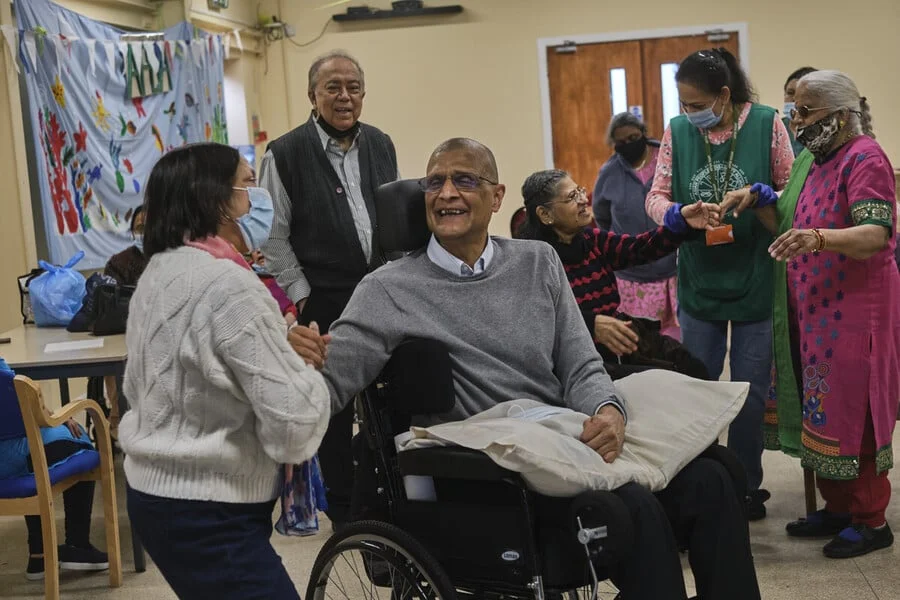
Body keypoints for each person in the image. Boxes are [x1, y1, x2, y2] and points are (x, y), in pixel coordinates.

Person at [320, 137, 761, 600]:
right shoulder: (387, 289)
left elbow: (580, 363)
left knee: (713, 478)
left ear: (497, 197)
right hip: (487, 469)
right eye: (434, 182)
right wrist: (292, 368)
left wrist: (608, 409)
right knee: (630, 506)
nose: (446, 192)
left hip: (562, 436)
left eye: (464, 180)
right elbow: (331, 381)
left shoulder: (536, 261)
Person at [119, 143, 332, 599]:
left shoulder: (160, 272)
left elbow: (187, 374)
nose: (260, 197)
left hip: (155, 494)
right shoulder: (229, 284)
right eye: (249, 183)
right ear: (217, 200)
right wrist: (306, 371)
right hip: (209, 508)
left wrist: (275, 347)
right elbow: (293, 424)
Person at [724, 71, 898, 558]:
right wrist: (758, 198)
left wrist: (820, 237)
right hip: (814, 312)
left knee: (854, 413)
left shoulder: (865, 158)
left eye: (804, 111)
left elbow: (875, 233)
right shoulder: (811, 160)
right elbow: (788, 219)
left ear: (840, 116)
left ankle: (870, 520)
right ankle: (839, 508)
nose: (795, 120)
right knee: (821, 410)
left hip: (855, 315)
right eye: (793, 110)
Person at [644, 48, 795, 520]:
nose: (689, 114)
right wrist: (677, 214)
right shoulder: (676, 131)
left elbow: (793, 193)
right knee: (699, 386)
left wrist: (761, 195)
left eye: (696, 105)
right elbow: (656, 195)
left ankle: (746, 485)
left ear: (724, 95)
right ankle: (702, 484)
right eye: (683, 105)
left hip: (755, 273)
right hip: (699, 278)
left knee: (749, 393)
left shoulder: (768, 123)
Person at [260, 50, 399, 528]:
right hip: (323, 296)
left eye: (353, 87)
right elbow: (272, 237)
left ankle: (395, 501)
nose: (344, 96)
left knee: (395, 397)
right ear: (312, 96)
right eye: (333, 87)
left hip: (383, 294)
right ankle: (344, 515)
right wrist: (302, 296)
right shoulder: (285, 152)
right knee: (332, 413)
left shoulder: (381, 143)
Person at [518, 168, 710, 380]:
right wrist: (591, 324)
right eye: (572, 197)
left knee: (691, 369)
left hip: (618, 343)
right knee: (664, 381)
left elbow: (638, 248)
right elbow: (536, 317)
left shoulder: (592, 240)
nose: (583, 200)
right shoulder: (534, 259)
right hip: (577, 360)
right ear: (545, 215)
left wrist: (682, 223)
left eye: (580, 191)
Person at [0, 358, 110, 581]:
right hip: (18, 457)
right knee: (78, 436)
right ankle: (77, 544)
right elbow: (24, 402)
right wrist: (59, 417)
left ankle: (39, 554)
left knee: (33, 451)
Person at [593, 113, 681, 340]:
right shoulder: (609, 172)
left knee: (673, 341)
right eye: (621, 142)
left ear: (644, 132)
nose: (628, 145)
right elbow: (601, 215)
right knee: (640, 340)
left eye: (633, 137)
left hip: (670, 269)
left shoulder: (668, 160)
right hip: (630, 276)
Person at [99, 206, 147, 439]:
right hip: (124, 337)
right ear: (132, 232)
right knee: (116, 367)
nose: (145, 233)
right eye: (140, 228)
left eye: (149, 227)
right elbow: (110, 308)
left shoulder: (171, 258)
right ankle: (117, 424)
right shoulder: (119, 262)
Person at [782, 67, 818, 156]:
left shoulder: (825, 129)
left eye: (802, 94)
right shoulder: (777, 127)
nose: (794, 99)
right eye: (790, 93)